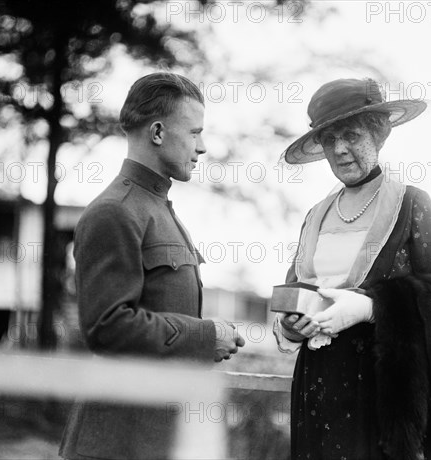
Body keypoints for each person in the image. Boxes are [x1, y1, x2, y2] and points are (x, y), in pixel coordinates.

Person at [273, 78, 431, 460]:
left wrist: (370, 307)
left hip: (384, 393)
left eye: (351, 135)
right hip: (317, 385)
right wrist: (289, 324)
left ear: (379, 135)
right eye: (329, 140)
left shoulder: (412, 203)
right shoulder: (316, 215)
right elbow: (295, 291)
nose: (340, 149)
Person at [59, 72, 245, 460]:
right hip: (115, 444)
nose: (203, 147)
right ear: (158, 132)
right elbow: (107, 327)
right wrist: (205, 336)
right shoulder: (114, 212)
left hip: (154, 439)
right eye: (194, 133)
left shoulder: (157, 209)